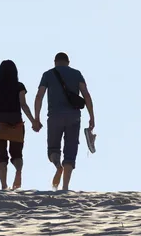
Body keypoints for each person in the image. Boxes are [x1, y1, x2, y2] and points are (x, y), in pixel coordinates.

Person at [33, 52, 95, 191]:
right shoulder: (77, 74)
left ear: (55, 62)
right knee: (70, 150)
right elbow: (86, 95)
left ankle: (57, 167)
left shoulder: (48, 74)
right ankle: (65, 186)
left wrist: (36, 118)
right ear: (68, 62)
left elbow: (39, 96)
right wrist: (92, 116)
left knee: (53, 148)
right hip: (74, 117)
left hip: (54, 117)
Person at [0, 60, 39, 190]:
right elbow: (23, 105)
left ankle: (4, 185)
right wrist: (33, 121)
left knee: (2, 156)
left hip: (0, 122)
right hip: (17, 122)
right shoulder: (19, 86)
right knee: (17, 154)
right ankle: (18, 172)